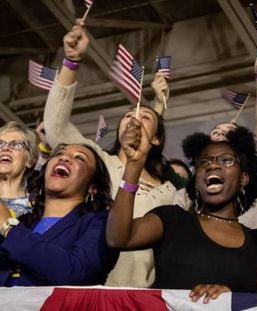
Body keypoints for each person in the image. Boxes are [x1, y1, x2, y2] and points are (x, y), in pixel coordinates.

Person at [43, 22, 185, 288]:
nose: (133, 119)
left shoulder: (168, 191)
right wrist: (72, 62)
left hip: (140, 296)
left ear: (156, 138)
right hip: (86, 286)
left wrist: (157, 107)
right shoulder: (97, 163)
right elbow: (56, 127)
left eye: (143, 117)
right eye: (128, 116)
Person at [106, 119, 257, 302]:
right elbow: (118, 237)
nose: (212, 165)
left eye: (226, 160)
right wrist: (134, 165)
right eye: (204, 161)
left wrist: (232, 300)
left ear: (244, 179)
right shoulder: (172, 219)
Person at [174, 45, 257, 230]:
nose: (220, 132)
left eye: (228, 131)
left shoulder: (255, 186)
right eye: (215, 130)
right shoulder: (183, 196)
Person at [0, 143, 119, 286]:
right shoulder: (24, 222)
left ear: (93, 187)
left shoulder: (103, 224)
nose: (64, 159)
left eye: (79, 158)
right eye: (59, 154)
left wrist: (9, 228)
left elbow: (75, 273)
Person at [0, 121, 38, 217]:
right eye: (0, 144)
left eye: (16, 145)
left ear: (30, 161)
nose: (5, 148)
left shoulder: (37, 209)